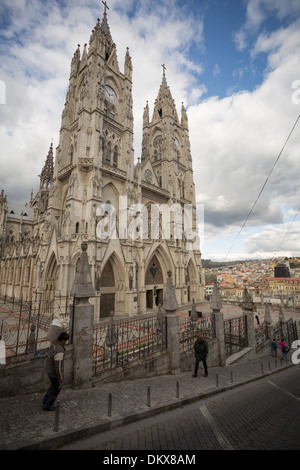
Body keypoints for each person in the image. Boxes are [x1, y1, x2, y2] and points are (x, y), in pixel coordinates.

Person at [42, 331, 69, 411]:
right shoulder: (59, 350)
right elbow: (59, 367)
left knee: (53, 386)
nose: (66, 342)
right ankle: (47, 405)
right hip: (54, 373)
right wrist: (61, 378)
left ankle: (45, 400)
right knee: (56, 389)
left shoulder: (54, 344)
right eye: (66, 340)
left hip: (49, 370)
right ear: (63, 340)